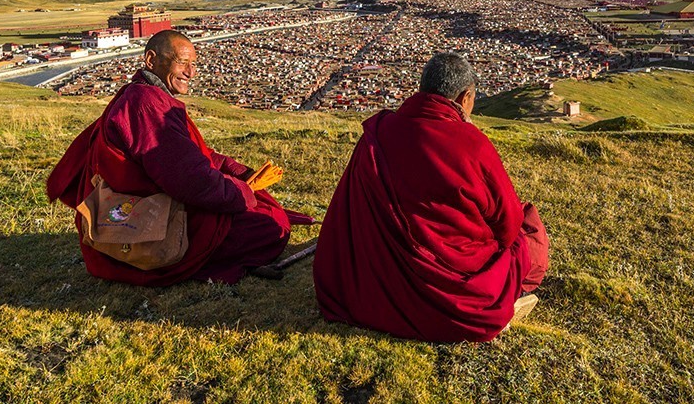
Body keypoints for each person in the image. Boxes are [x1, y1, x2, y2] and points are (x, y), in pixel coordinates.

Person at [313, 52, 548, 342]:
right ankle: (510, 296)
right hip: (452, 296)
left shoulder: (378, 133)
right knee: (531, 231)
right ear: (465, 98)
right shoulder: (472, 144)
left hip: (370, 287)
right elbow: (509, 226)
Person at [47, 30, 306, 284]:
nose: (190, 72)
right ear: (151, 60)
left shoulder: (145, 95)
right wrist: (240, 193)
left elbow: (190, 153)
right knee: (271, 225)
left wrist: (235, 171)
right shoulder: (146, 104)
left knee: (261, 204)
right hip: (150, 214)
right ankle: (194, 264)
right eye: (182, 62)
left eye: (193, 64)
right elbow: (186, 177)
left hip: (147, 201)